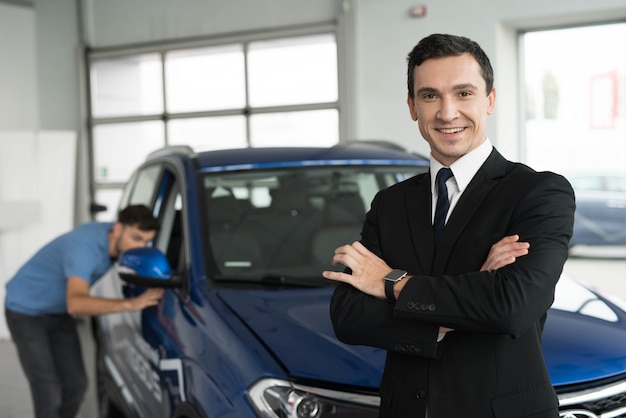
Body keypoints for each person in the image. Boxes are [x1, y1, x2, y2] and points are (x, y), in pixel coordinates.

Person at [323, 33, 575, 417]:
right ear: (412, 106)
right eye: (429, 96)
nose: (446, 112)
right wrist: (465, 304)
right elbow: (348, 317)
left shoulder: (538, 192)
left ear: (489, 100)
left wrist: (390, 283)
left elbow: (512, 306)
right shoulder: (390, 203)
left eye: (463, 93)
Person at [4, 204, 165, 418]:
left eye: (146, 241)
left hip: (58, 312)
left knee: (76, 385)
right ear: (117, 229)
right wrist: (131, 304)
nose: (140, 247)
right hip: (26, 311)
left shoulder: (117, 236)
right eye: (136, 238)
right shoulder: (84, 249)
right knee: (49, 391)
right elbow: (76, 303)